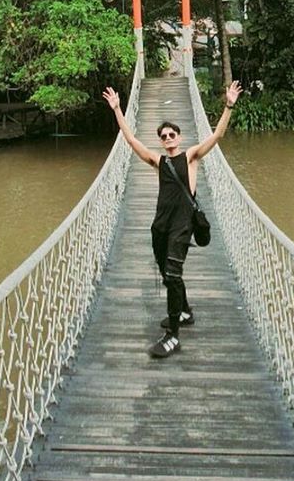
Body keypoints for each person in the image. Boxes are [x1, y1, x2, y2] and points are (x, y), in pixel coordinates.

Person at [103, 80, 242, 359]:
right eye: (163, 136)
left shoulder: (190, 157)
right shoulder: (159, 162)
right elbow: (131, 141)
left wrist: (228, 105)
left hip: (182, 226)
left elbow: (216, 137)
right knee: (169, 276)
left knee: (173, 273)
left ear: (179, 137)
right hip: (160, 227)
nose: (167, 138)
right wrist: (118, 109)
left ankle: (173, 336)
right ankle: (185, 312)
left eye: (171, 134)